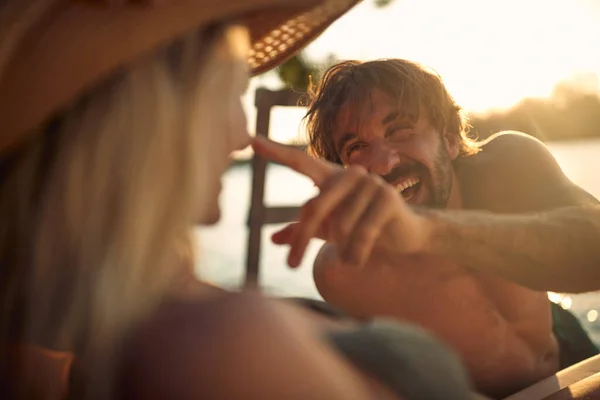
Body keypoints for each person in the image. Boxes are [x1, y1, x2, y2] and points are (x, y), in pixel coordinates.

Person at [0, 2, 480, 400]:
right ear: (151, 122)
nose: (240, 136)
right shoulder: (214, 344)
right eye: (230, 95)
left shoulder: (98, 327)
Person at [256, 59, 600, 398]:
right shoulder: (342, 270)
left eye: (400, 130)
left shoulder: (507, 167)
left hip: (567, 343)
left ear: (449, 138)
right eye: (356, 148)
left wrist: (427, 232)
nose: (384, 162)